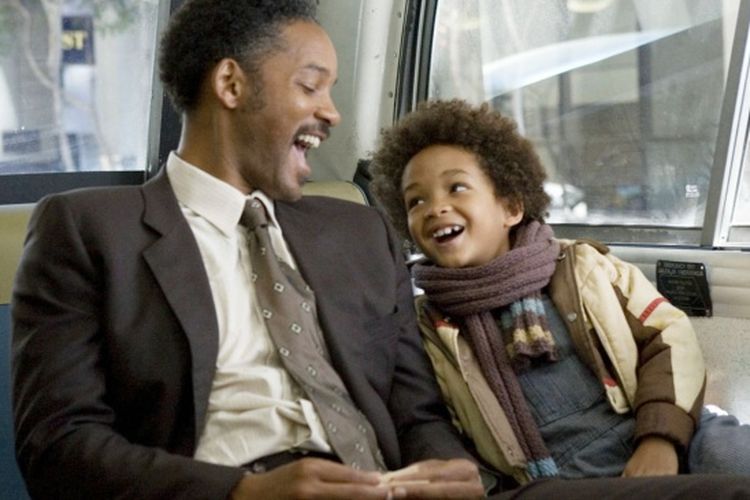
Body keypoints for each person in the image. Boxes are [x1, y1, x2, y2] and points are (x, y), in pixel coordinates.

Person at [11, 2, 485, 499]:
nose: (332, 113)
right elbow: (58, 446)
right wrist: (243, 492)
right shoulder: (88, 229)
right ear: (231, 85)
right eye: (310, 86)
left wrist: (446, 470)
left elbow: (416, 414)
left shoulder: (360, 232)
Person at [369, 99, 750, 487]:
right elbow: (442, 428)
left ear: (511, 207)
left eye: (457, 188)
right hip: (570, 480)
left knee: (731, 458)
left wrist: (659, 440)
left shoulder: (582, 267)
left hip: (666, 432)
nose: (435, 208)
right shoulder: (429, 327)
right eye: (416, 201)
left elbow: (669, 337)